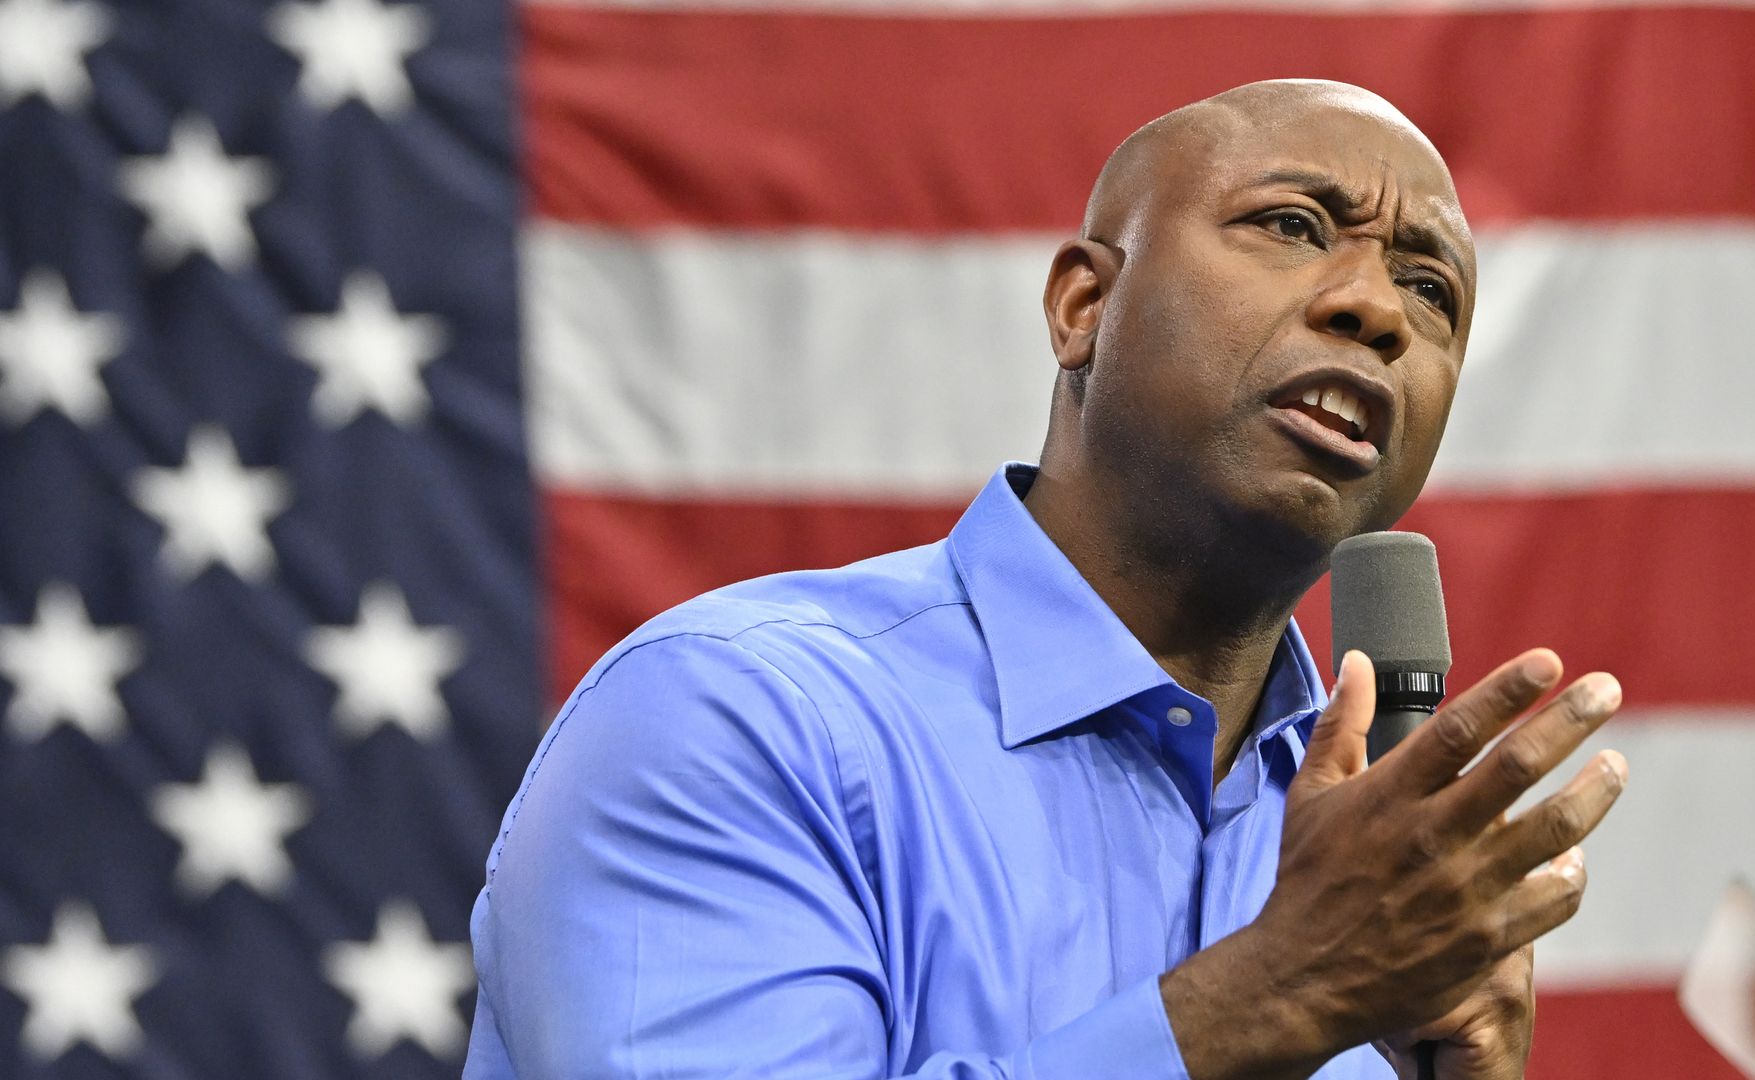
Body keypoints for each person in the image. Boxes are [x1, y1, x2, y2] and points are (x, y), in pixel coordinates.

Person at [462, 79, 1629, 1080]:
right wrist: (1276, 996)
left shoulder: (1373, 855)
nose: (1374, 307)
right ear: (1084, 306)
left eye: (1432, 291)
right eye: (1289, 224)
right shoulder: (737, 719)